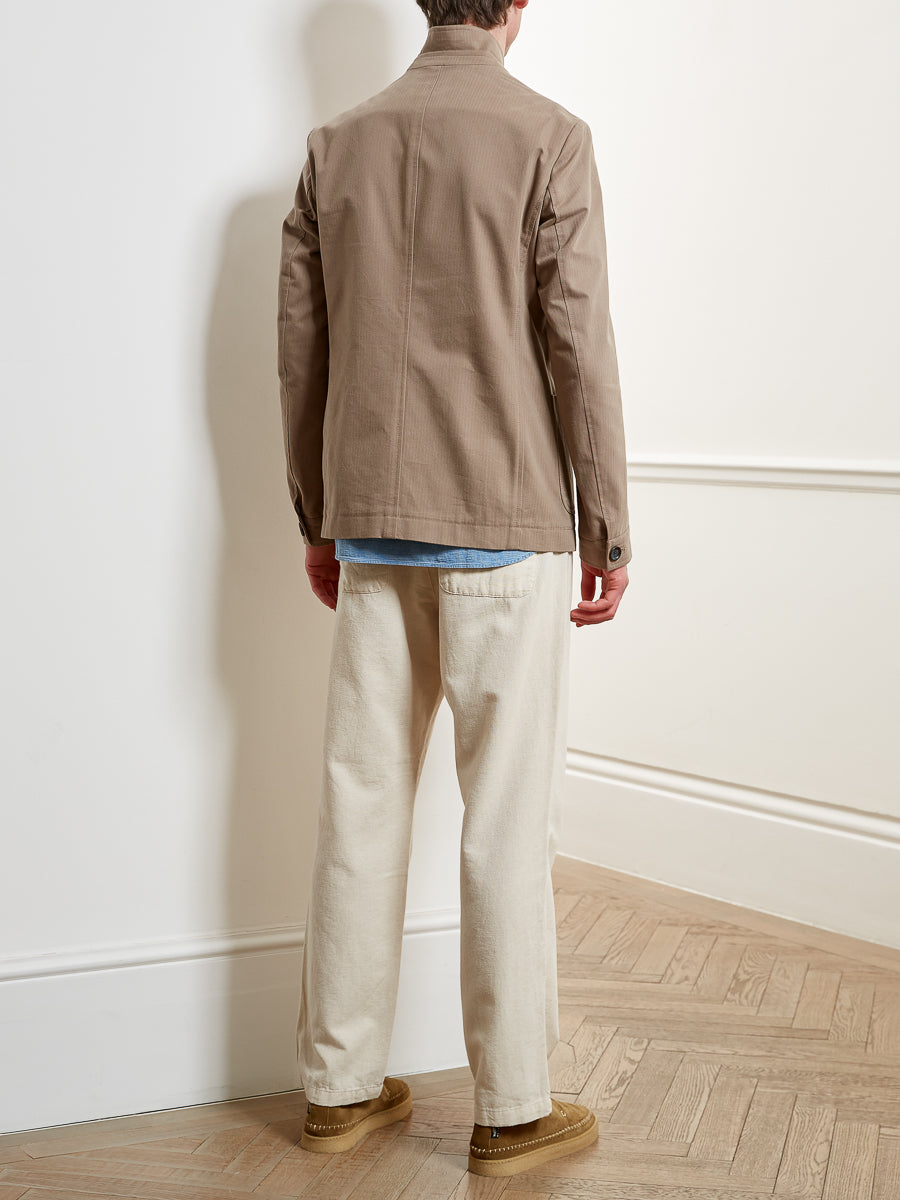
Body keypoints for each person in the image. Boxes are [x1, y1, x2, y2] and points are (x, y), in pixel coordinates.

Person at [276, 0, 631, 1177]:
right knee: (506, 827)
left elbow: (302, 351)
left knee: (360, 806)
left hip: (374, 530)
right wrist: (607, 524)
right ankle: (513, 1107)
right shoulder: (549, 136)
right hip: (505, 526)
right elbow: (578, 341)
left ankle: (338, 1086)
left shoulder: (338, 143)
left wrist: (319, 515)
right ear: (514, 4)